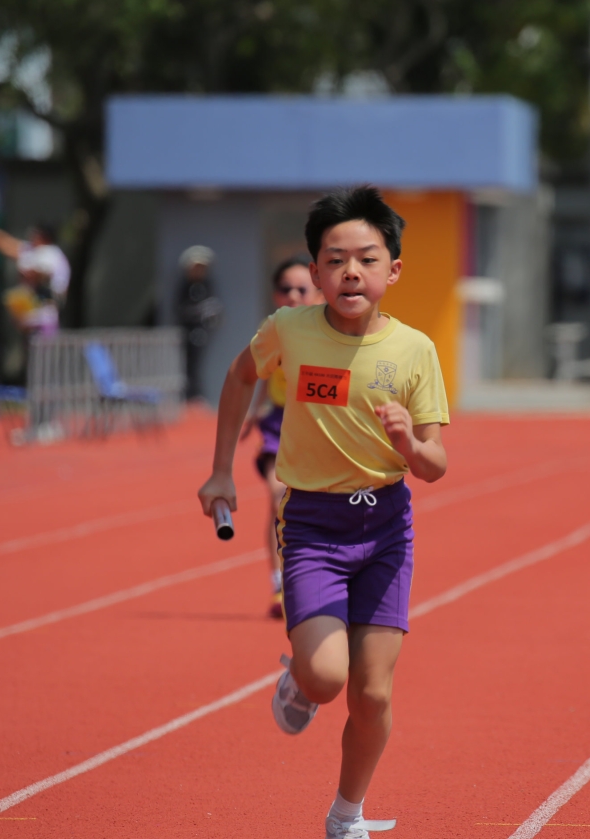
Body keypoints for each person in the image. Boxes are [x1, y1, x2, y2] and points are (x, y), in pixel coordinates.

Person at [197, 186, 448, 839]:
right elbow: (240, 377)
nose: (351, 272)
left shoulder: (415, 349)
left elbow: (435, 464)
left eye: (366, 258)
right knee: (329, 676)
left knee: (374, 692)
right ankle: (302, 682)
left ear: (394, 268)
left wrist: (408, 444)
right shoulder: (290, 329)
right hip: (313, 525)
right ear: (315, 271)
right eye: (335, 260)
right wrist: (222, 468)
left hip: (386, 527)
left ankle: (346, 815)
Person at [241, 255, 324, 619]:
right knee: (279, 499)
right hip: (279, 424)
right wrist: (253, 412)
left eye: (301, 289)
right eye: (284, 288)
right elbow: (260, 372)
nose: (292, 295)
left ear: (319, 292)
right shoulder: (273, 328)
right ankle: (279, 584)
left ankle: (318, 580)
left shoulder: (333, 328)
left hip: (321, 426)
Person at [0, 219, 70, 334]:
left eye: (35, 233)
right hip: (33, 318)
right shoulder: (33, 250)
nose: (31, 236)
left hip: (45, 317)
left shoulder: (51, 253)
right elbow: (5, 243)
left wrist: (30, 274)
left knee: (43, 345)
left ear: (44, 236)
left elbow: (42, 275)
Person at [176, 245, 223, 401]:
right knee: (189, 365)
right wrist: (199, 310)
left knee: (198, 364)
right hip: (188, 333)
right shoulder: (185, 287)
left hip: (203, 332)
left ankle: (196, 394)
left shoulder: (207, 286)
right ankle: (191, 395)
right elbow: (181, 309)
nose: (199, 272)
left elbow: (214, 308)